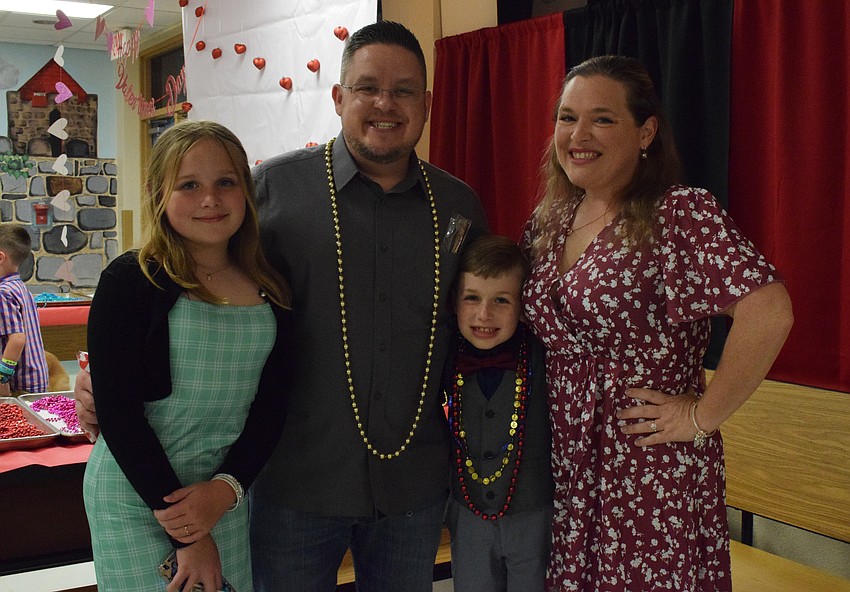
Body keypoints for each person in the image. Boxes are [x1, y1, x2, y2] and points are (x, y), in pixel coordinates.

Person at [75, 21, 488, 592]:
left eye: (404, 90)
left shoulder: (460, 207)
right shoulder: (272, 190)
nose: (384, 104)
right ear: (340, 97)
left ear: (427, 103)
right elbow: (178, 275)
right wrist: (104, 383)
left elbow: (485, 329)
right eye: (367, 87)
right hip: (292, 486)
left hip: (412, 484)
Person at [521, 55, 793, 591]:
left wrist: (700, 416)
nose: (579, 134)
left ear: (646, 132)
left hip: (648, 471)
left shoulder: (678, 214)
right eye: (566, 116)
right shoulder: (550, 220)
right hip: (568, 467)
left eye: (602, 118)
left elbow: (769, 312)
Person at [82, 120, 293, 592]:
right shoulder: (131, 280)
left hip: (221, 496)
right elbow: (120, 416)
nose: (210, 200)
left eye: (225, 182)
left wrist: (224, 492)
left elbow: (271, 408)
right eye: (189, 185)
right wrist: (187, 533)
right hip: (139, 493)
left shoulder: (272, 288)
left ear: (246, 190)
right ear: (160, 194)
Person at [443, 234, 553, 592]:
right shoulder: (442, 355)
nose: (484, 314)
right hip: (467, 514)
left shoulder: (545, 355)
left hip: (534, 513)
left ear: (523, 306)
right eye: (471, 298)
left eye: (501, 301)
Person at [0, 224, 48, 396]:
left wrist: (2, 377)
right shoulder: (20, 287)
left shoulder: (3, 292)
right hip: (37, 377)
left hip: (20, 383)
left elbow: (17, 339)